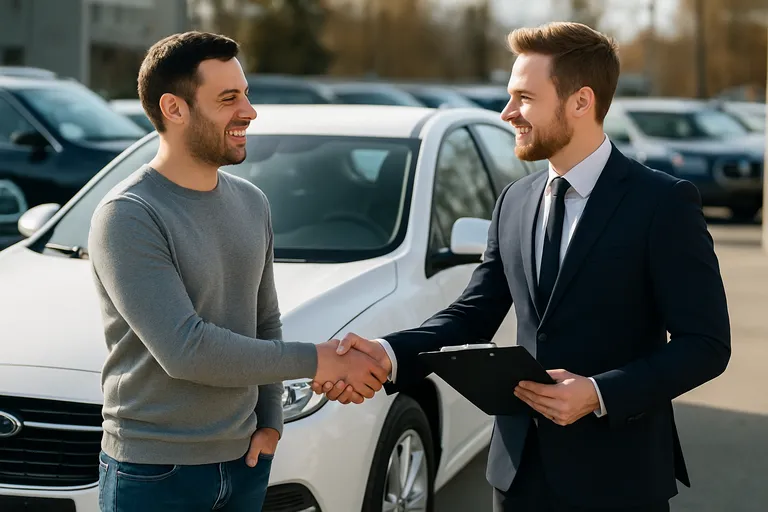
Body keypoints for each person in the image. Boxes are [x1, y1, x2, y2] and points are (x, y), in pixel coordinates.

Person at [312, 22, 731, 512]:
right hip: (518, 474)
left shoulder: (663, 203)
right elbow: (473, 313)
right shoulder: (515, 199)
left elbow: (706, 344)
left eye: (524, 98)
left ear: (581, 101)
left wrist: (599, 392)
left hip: (619, 479)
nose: (508, 113)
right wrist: (388, 353)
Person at [88, 31, 388, 512]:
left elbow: (264, 322)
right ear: (175, 108)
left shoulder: (252, 202)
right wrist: (322, 360)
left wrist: (271, 422)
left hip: (245, 461)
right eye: (229, 98)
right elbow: (187, 351)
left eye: (245, 94)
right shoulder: (129, 214)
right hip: (156, 474)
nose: (249, 111)